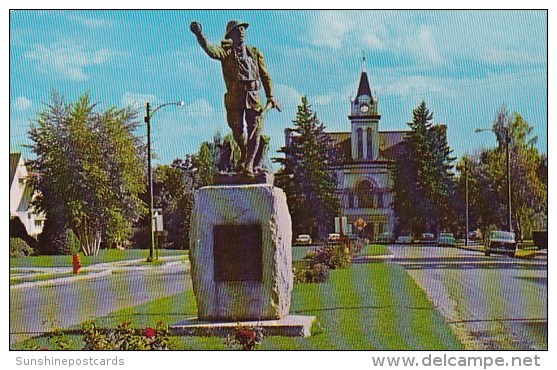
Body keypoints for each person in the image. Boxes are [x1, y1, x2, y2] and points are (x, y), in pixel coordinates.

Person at [190, 20, 278, 175]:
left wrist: (270, 95)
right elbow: (211, 50)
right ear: (230, 35)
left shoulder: (255, 52)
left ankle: (249, 165)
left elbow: (265, 76)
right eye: (237, 30)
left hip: (253, 96)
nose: (241, 32)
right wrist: (200, 35)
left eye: (243, 29)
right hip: (234, 97)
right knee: (237, 130)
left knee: (255, 129)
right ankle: (246, 153)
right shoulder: (227, 52)